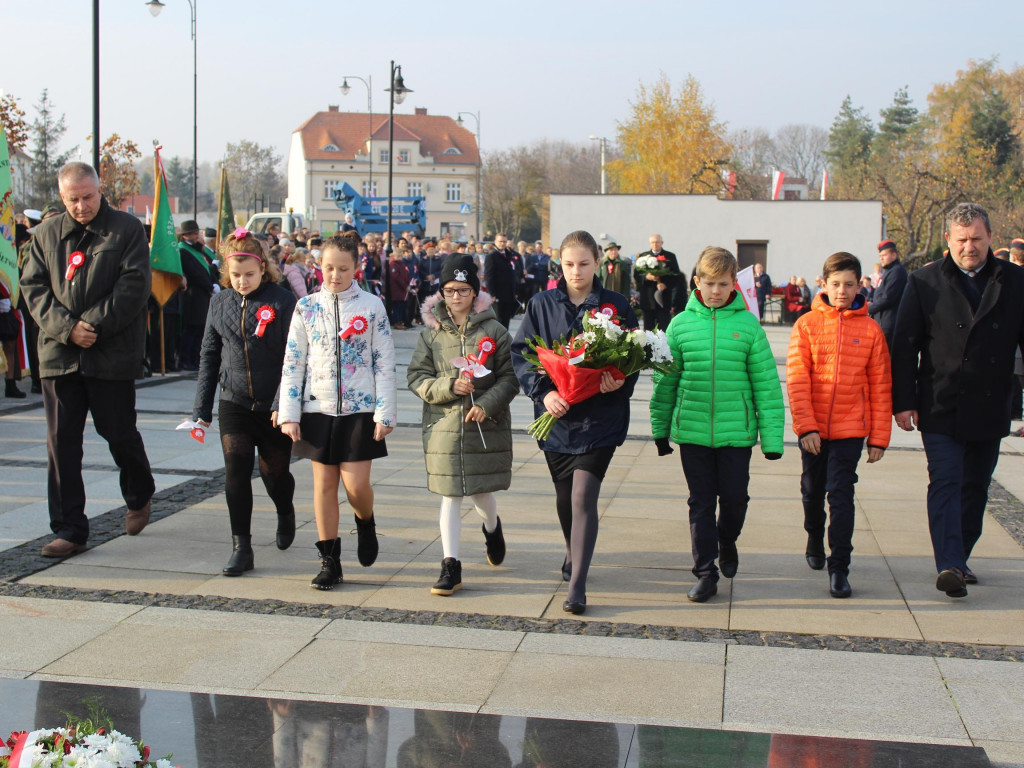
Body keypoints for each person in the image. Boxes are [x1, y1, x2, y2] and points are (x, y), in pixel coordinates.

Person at [21, 162, 155, 557]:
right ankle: (69, 529)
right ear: (62, 198)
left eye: (88, 197)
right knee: (62, 443)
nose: (81, 206)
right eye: (73, 199)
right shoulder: (45, 234)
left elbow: (133, 286)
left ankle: (139, 491)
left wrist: (91, 327)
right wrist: (67, 329)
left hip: (110, 352)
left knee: (118, 433)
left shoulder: (127, 229)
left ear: (101, 190)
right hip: (60, 355)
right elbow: (34, 288)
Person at [892, 202, 1024, 599]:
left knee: (976, 488)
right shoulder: (924, 281)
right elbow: (904, 346)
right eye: (962, 239)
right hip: (940, 401)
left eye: (978, 239)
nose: (970, 247)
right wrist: (903, 401)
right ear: (948, 240)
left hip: (990, 402)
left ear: (990, 239)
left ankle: (960, 556)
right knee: (946, 481)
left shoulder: (1015, 281)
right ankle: (948, 563)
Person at [511, 230, 638, 615]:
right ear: (559, 264)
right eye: (569, 264)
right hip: (558, 417)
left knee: (584, 495)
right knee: (565, 497)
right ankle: (572, 553)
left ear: (598, 262)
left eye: (584, 263)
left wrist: (620, 379)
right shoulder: (541, 304)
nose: (576, 271)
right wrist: (544, 393)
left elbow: (633, 354)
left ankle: (578, 584)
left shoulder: (615, 305)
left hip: (601, 418)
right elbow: (523, 354)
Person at [650, 247, 784, 603]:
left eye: (723, 284)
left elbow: (767, 386)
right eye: (708, 283)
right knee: (701, 502)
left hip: (736, 435)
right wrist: (660, 430)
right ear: (697, 282)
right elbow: (666, 383)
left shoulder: (748, 326)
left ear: (734, 284)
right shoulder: (679, 326)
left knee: (735, 499)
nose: (715, 291)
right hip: (693, 432)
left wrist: (772, 440)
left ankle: (727, 538)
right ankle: (705, 572)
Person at [277, 235, 397, 590]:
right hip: (318, 407)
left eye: (343, 268)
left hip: (361, 409)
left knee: (356, 485)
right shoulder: (306, 307)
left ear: (356, 267)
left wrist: (385, 412)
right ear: (319, 267)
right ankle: (330, 560)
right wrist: (289, 411)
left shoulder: (372, 306)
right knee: (324, 485)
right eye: (328, 268)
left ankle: (366, 520)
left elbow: (385, 361)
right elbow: (293, 360)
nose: (335, 275)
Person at [407, 254, 519, 595]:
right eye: (450, 290)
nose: (456, 297)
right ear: (441, 292)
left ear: (476, 291)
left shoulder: (494, 330)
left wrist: (486, 404)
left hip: (482, 424)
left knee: (481, 493)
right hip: (444, 425)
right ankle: (450, 564)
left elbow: (509, 379)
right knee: (450, 494)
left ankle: (492, 527)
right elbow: (416, 376)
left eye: (464, 290)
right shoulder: (431, 333)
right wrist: (447, 386)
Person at [192, 228, 297, 575]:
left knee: (274, 474)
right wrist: (201, 410)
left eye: (249, 275)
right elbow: (209, 354)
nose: (241, 281)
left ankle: (284, 509)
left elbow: (294, 358)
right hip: (233, 400)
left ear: (263, 269)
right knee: (235, 471)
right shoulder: (219, 301)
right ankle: (242, 547)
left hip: (273, 405)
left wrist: (285, 402)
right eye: (235, 275)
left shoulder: (282, 301)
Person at [787, 252, 892, 598]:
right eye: (836, 284)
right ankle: (814, 535)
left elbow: (880, 386)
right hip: (814, 429)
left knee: (842, 495)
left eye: (849, 284)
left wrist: (878, 437)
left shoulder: (872, 330)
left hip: (851, 429)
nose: (842, 291)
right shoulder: (806, 325)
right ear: (824, 284)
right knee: (811, 491)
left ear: (860, 284)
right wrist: (806, 427)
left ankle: (840, 567)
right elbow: (797, 379)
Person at [178, 219, 221, 370]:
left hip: (203, 294)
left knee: (200, 328)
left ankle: (195, 358)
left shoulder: (197, 249)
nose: (198, 236)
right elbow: (194, 273)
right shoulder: (183, 251)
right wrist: (209, 286)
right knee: (192, 328)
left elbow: (205, 270)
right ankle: (185, 359)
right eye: (195, 233)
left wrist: (213, 278)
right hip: (193, 295)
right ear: (186, 235)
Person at [633, 234, 684, 332]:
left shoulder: (670, 256)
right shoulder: (643, 256)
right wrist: (646, 277)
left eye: (657, 242)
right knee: (648, 329)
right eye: (653, 242)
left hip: (663, 299)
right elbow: (637, 275)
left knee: (663, 328)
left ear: (662, 243)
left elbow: (676, 276)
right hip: (648, 298)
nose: (655, 244)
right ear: (649, 243)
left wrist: (666, 285)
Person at [867, 239, 908, 348]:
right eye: (880, 256)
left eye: (884, 255)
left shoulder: (897, 272)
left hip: (889, 323)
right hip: (883, 321)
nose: (881, 258)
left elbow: (888, 298)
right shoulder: (889, 272)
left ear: (894, 255)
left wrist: (869, 308)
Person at [484, 233, 521, 328]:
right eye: (500, 241)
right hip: (498, 294)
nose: (502, 244)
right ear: (495, 242)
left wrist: (515, 290)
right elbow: (489, 276)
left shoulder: (509, 255)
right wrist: (492, 294)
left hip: (509, 294)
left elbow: (513, 274)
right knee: (498, 320)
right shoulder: (491, 256)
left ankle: (505, 341)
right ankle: (497, 342)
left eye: (504, 241)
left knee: (506, 320)